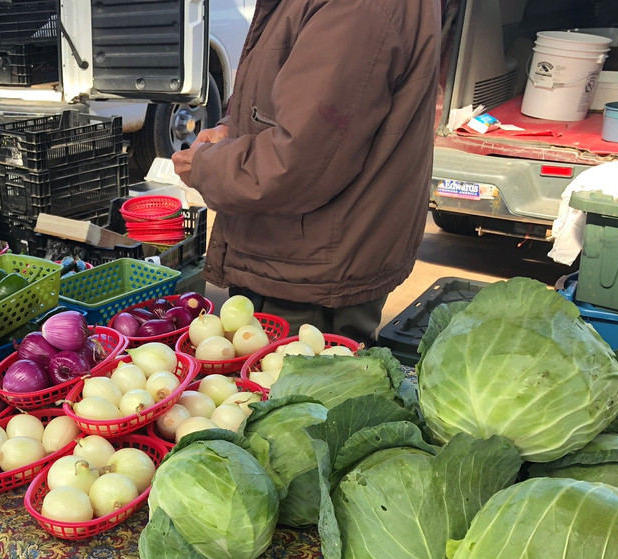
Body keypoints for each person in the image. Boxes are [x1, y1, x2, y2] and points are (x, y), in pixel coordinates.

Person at [172, 0, 441, 344]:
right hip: (307, 257)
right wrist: (231, 128)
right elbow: (302, 107)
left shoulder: (356, 9)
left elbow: (300, 160)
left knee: (297, 386)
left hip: (310, 272)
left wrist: (206, 166)